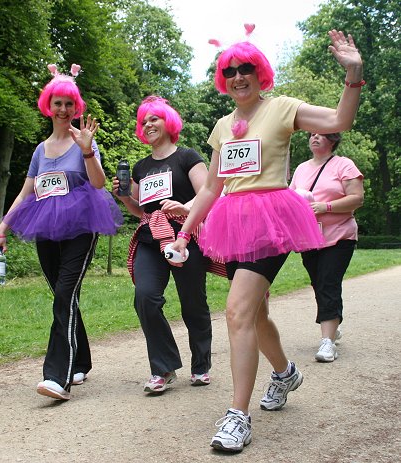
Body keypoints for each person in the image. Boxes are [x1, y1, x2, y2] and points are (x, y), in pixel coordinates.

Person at [171, 28, 364, 452]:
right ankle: (284, 373)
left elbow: (338, 121)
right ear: (224, 79)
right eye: (230, 71)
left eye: (246, 69)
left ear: (260, 73)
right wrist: (185, 234)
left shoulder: (281, 109)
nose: (238, 76)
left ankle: (238, 417)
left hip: (272, 222)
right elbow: (211, 188)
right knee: (254, 315)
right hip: (232, 224)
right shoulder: (222, 126)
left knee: (237, 311)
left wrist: (353, 75)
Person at [0, 64, 123, 400]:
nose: (63, 110)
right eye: (58, 103)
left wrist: (88, 149)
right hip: (46, 228)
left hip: (82, 226)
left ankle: (57, 377)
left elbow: (98, 183)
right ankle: (81, 362)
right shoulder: (39, 150)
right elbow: (26, 193)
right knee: (64, 295)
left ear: (76, 107)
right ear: (48, 106)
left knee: (65, 294)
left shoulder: (83, 142)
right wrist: (2, 228)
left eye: (69, 104)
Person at [112, 96, 213, 394]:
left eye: (154, 118)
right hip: (149, 237)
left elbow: (208, 191)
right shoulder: (141, 167)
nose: (148, 125)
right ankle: (163, 368)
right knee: (145, 297)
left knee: (193, 302)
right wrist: (126, 196)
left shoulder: (187, 156)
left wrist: (185, 208)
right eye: (144, 121)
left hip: (185, 235)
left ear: (168, 122)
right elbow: (141, 210)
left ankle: (201, 365)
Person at [290, 132, 364, 362]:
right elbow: (290, 199)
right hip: (309, 238)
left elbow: (357, 198)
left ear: (333, 139)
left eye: (321, 134)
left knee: (328, 283)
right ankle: (332, 323)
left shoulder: (344, 165)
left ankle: (327, 343)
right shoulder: (301, 168)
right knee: (318, 283)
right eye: (312, 134)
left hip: (339, 236)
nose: (315, 137)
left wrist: (326, 207)